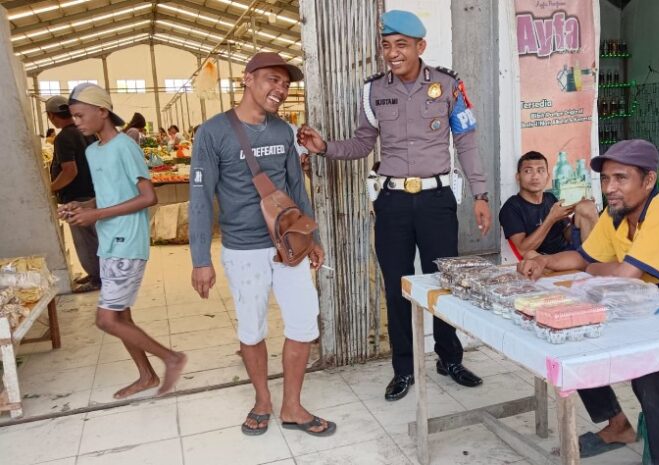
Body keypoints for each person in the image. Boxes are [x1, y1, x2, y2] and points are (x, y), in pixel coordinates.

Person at [298, 10, 491, 401]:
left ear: (421, 46)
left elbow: (466, 142)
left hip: (438, 200)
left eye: (401, 45)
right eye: (386, 45)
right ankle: (404, 368)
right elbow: (362, 144)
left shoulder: (449, 86)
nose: (392, 53)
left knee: (445, 281)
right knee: (397, 285)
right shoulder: (372, 91)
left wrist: (481, 194)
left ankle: (449, 358)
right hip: (392, 202)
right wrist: (325, 148)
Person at [189, 52, 335, 437]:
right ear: (247, 79)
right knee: (251, 329)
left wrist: (312, 237)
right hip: (243, 249)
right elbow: (200, 198)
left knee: (303, 325)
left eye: (285, 84)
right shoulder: (212, 132)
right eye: (272, 80)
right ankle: (262, 400)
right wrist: (200, 259)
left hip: (288, 246)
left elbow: (294, 188)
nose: (280, 89)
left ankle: (292, 406)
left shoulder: (283, 131)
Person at [518, 139, 659, 465]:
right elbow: (583, 257)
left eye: (621, 178)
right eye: (606, 179)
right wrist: (543, 260)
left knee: (652, 376)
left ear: (648, 180)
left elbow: (624, 274)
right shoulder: (616, 213)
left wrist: (593, 268)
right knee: (573, 338)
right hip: (640, 310)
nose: (611, 187)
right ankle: (618, 425)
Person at [61, 83, 187, 399]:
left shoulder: (125, 146)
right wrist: (83, 208)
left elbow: (148, 197)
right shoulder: (93, 151)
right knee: (121, 315)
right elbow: (107, 198)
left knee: (107, 319)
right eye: (73, 117)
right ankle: (146, 375)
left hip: (127, 240)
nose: (76, 122)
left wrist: (97, 215)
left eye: (80, 115)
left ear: (102, 111)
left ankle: (171, 358)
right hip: (109, 242)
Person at [45, 95, 101, 292]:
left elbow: (70, 170)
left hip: (77, 197)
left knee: (85, 241)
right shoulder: (87, 132)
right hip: (93, 192)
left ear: (52, 116)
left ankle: (97, 278)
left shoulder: (63, 138)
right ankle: (97, 274)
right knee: (94, 238)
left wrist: (49, 188)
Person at [499, 151, 598, 258]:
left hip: (567, 253)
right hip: (542, 261)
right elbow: (523, 250)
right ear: (518, 177)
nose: (535, 176)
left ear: (547, 176)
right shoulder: (511, 207)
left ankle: (595, 260)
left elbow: (567, 235)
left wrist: (578, 217)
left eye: (540, 171)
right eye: (528, 171)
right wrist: (551, 219)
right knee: (529, 255)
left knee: (587, 206)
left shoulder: (550, 198)